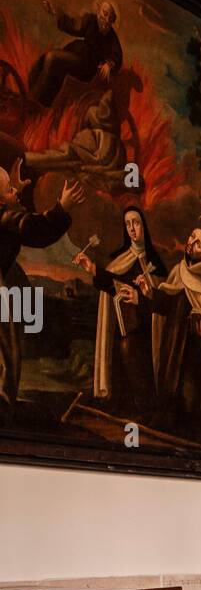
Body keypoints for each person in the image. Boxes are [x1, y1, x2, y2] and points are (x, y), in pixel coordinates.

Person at [0, 164, 84, 421]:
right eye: (11, 190)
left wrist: (10, 192)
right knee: (7, 348)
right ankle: (3, 401)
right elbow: (37, 229)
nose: (17, 191)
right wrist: (63, 207)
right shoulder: (5, 219)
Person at [137, 225, 201, 441]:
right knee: (168, 388)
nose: (191, 242)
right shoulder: (178, 271)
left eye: (198, 241)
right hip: (173, 343)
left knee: (190, 398)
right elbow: (166, 304)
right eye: (191, 236)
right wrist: (148, 293)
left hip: (195, 352)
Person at [74, 204, 167, 419]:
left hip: (145, 329)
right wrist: (92, 269)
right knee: (119, 350)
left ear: (143, 225)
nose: (132, 228)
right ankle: (122, 404)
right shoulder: (121, 258)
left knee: (132, 351)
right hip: (122, 324)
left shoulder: (156, 264)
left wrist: (140, 297)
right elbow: (111, 283)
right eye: (128, 224)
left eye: (136, 223)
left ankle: (145, 408)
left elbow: (161, 300)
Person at [28, 0, 122, 109]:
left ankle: (33, 103)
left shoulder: (111, 36)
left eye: (110, 18)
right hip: (76, 55)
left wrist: (109, 64)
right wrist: (54, 11)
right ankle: (37, 99)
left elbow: (117, 55)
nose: (107, 20)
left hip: (87, 66)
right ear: (98, 12)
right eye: (105, 14)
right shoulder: (90, 20)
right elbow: (72, 25)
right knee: (44, 60)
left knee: (53, 58)